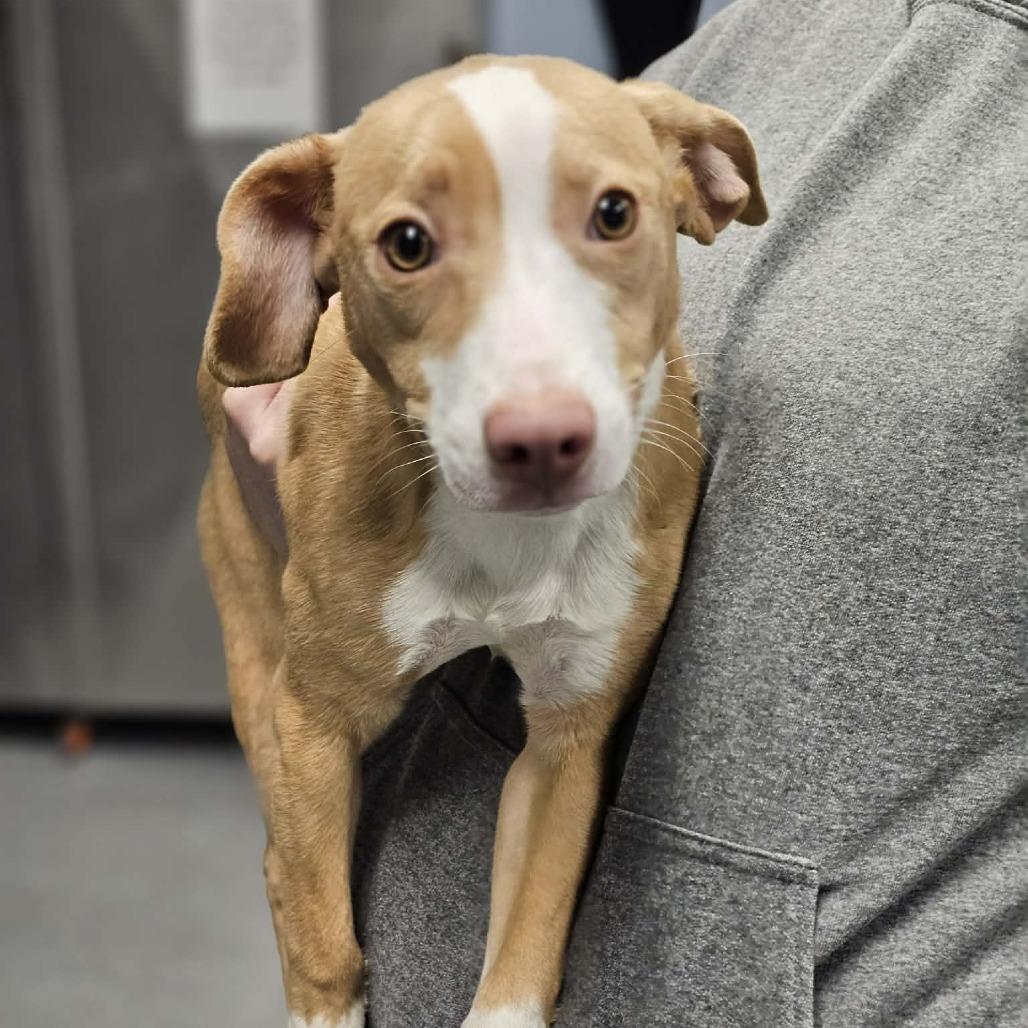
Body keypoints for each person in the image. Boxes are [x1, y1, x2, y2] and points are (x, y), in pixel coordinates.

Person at [220, 0, 1027, 1023]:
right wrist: (320, 989)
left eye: (609, 216)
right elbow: (307, 703)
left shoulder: (670, 142)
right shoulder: (730, 42)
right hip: (385, 692)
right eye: (411, 243)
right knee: (288, 683)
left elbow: (566, 745)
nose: (536, 413)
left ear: (707, 184)